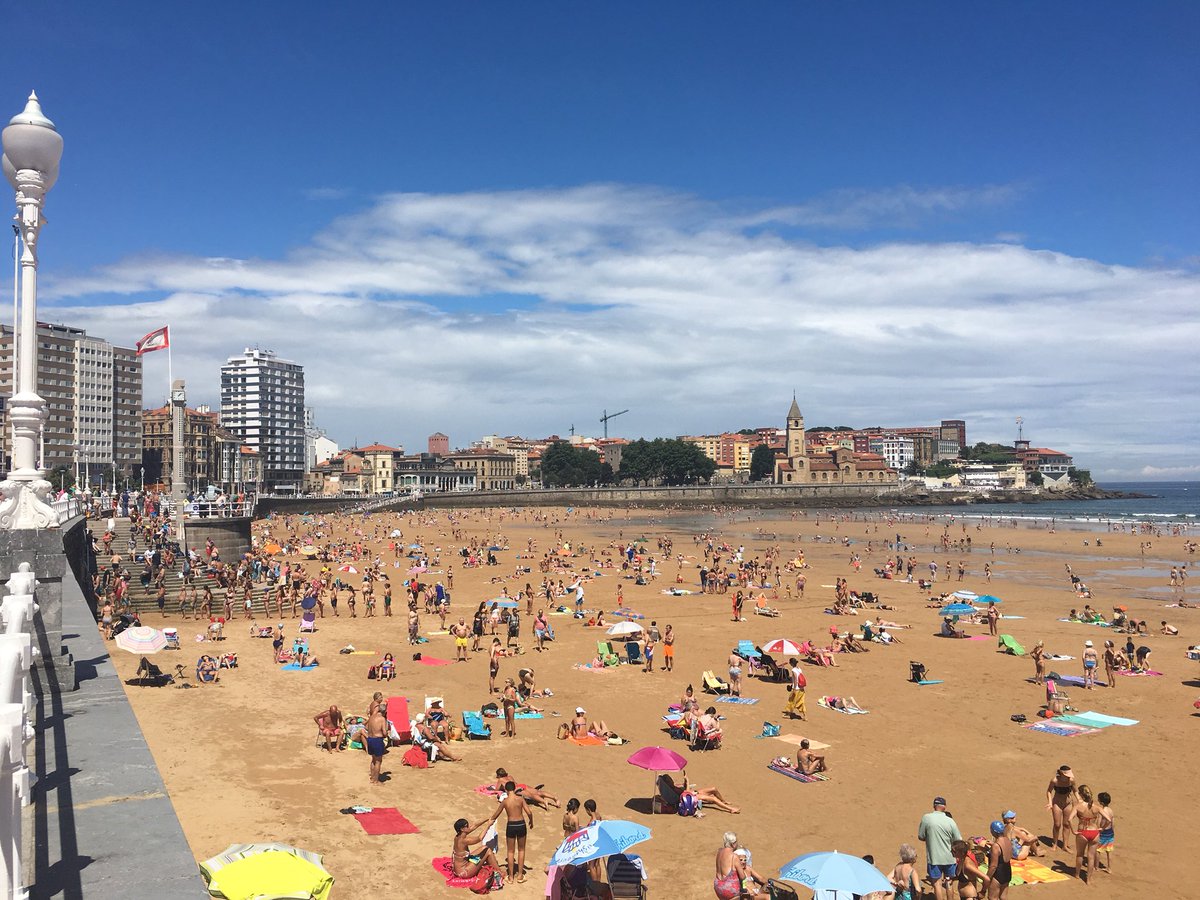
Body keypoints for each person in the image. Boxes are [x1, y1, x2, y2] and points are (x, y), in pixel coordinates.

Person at [918, 796, 962, 900]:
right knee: (949, 882)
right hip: (950, 858)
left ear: (934, 806)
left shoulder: (926, 818)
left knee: (937, 883)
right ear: (944, 807)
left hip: (934, 858)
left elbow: (921, 836)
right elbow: (958, 840)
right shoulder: (951, 821)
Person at [1071, 784, 1107, 883]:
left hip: (1082, 832)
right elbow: (1108, 819)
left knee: (1080, 855)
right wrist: (1102, 828)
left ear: (1082, 795)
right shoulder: (1097, 807)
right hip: (1094, 832)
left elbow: (1069, 819)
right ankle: (1089, 879)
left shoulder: (1078, 806)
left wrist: (1073, 831)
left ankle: (1077, 874)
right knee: (1091, 857)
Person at [452, 810, 502, 880]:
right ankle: (499, 873)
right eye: (467, 826)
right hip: (463, 872)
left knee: (484, 847)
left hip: (457, 869)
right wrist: (488, 825)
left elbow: (474, 825)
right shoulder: (464, 840)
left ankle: (492, 866)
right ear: (462, 829)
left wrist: (487, 818)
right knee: (488, 851)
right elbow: (480, 838)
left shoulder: (458, 836)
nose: (469, 827)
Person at [499, 780, 533, 884]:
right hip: (521, 824)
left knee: (510, 851)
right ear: (514, 788)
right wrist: (531, 821)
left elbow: (496, 814)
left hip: (511, 825)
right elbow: (529, 812)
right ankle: (519, 875)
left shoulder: (505, 801)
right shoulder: (520, 799)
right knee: (521, 850)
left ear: (506, 790)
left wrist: (490, 821)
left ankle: (510, 877)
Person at [664, 770, 740, 814]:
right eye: (669, 779)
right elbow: (686, 794)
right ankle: (731, 809)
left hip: (692, 793)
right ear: (668, 782)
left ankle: (723, 801)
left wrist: (685, 781)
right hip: (691, 797)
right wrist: (688, 780)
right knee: (713, 799)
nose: (671, 779)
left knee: (714, 789)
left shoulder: (674, 786)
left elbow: (685, 789)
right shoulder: (673, 789)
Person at [1046, 765, 1077, 850]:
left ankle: (1065, 845)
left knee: (1067, 824)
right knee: (1057, 824)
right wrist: (1050, 802)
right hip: (1057, 803)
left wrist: (1079, 801)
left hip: (1068, 803)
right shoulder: (1055, 780)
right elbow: (1049, 791)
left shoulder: (1071, 781)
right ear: (1062, 774)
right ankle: (1055, 843)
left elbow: (1075, 791)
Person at [984, 820, 1012, 899]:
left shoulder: (995, 846)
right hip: (1007, 871)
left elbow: (993, 866)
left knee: (992, 898)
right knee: (1003, 897)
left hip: (998, 874)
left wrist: (987, 878)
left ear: (993, 831)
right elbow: (1004, 850)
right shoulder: (1008, 840)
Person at [364, 701, 388, 784]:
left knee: (373, 759)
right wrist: (386, 734)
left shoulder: (371, 717)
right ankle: (376, 780)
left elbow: (366, 727)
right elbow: (384, 733)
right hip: (377, 740)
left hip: (370, 739)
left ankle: (372, 777)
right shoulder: (382, 719)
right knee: (378, 761)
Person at [1096, 791, 1115, 874]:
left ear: (1101, 802)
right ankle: (1109, 868)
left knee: (1098, 850)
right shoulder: (1110, 810)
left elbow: (1099, 822)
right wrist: (1113, 831)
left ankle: (1096, 866)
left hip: (1103, 832)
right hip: (1110, 832)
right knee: (1109, 851)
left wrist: (1100, 829)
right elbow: (1113, 822)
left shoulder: (1102, 811)